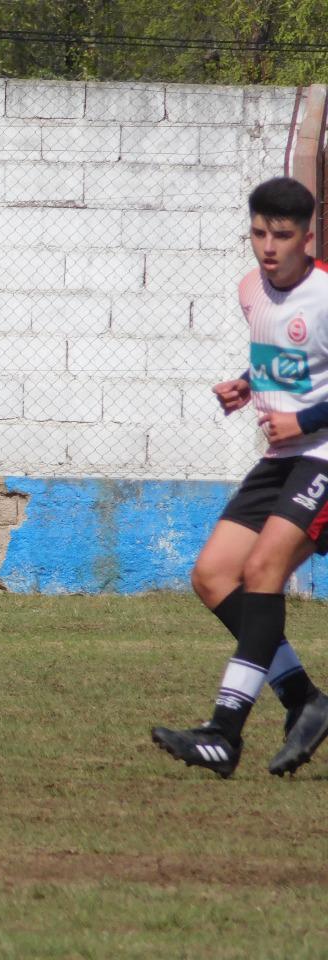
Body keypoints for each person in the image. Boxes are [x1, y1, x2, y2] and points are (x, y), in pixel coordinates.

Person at [152, 176, 328, 778]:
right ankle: (305, 699)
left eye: (283, 235)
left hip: (324, 457)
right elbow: (283, 359)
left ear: (309, 236)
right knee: (212, 576)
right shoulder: (250, 289)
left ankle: (224, 732)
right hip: (281, 461)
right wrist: (247, 386)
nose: (269, 247)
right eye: (259, 233)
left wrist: (302, 417)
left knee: (261, 572)